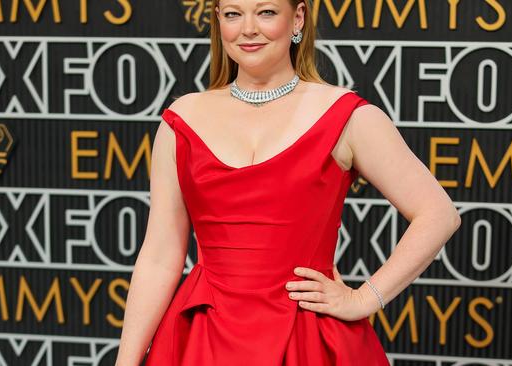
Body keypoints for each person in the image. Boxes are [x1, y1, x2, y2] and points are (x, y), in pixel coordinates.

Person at [115, 0, 461, 364]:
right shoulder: (180, 119)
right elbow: (159, 257)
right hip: (201, 339)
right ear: (218, 21)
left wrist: (365, 298)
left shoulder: (348, 116)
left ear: (298, 17)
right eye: (233, 14)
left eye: (266, 12)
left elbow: (438, 214)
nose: (248, 28)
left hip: (307, 338)